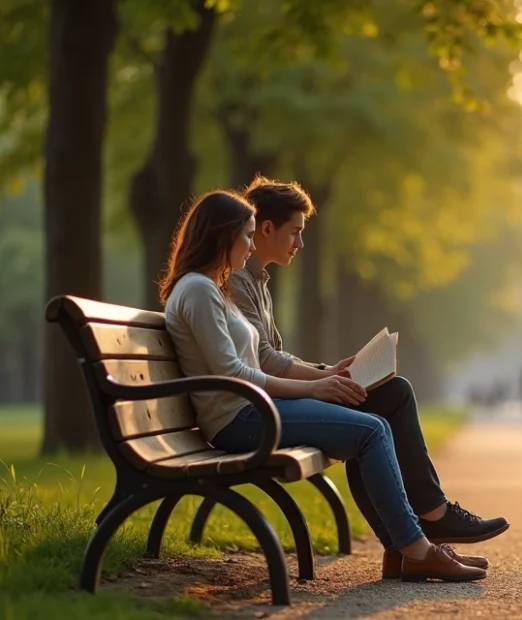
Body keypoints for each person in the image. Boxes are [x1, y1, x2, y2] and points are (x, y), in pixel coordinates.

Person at [160, 190, 488, 582]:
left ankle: (409, 550)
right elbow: (234, 373)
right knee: (372, 429)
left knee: (375, 422)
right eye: (246, 236)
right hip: (240, 419)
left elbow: (250, 363)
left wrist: (325, 376)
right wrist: (315, 388)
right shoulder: (199, 290)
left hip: (251, 411)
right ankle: (417, 550)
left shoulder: (212, 288)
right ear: (221, 235)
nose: (251, 245)